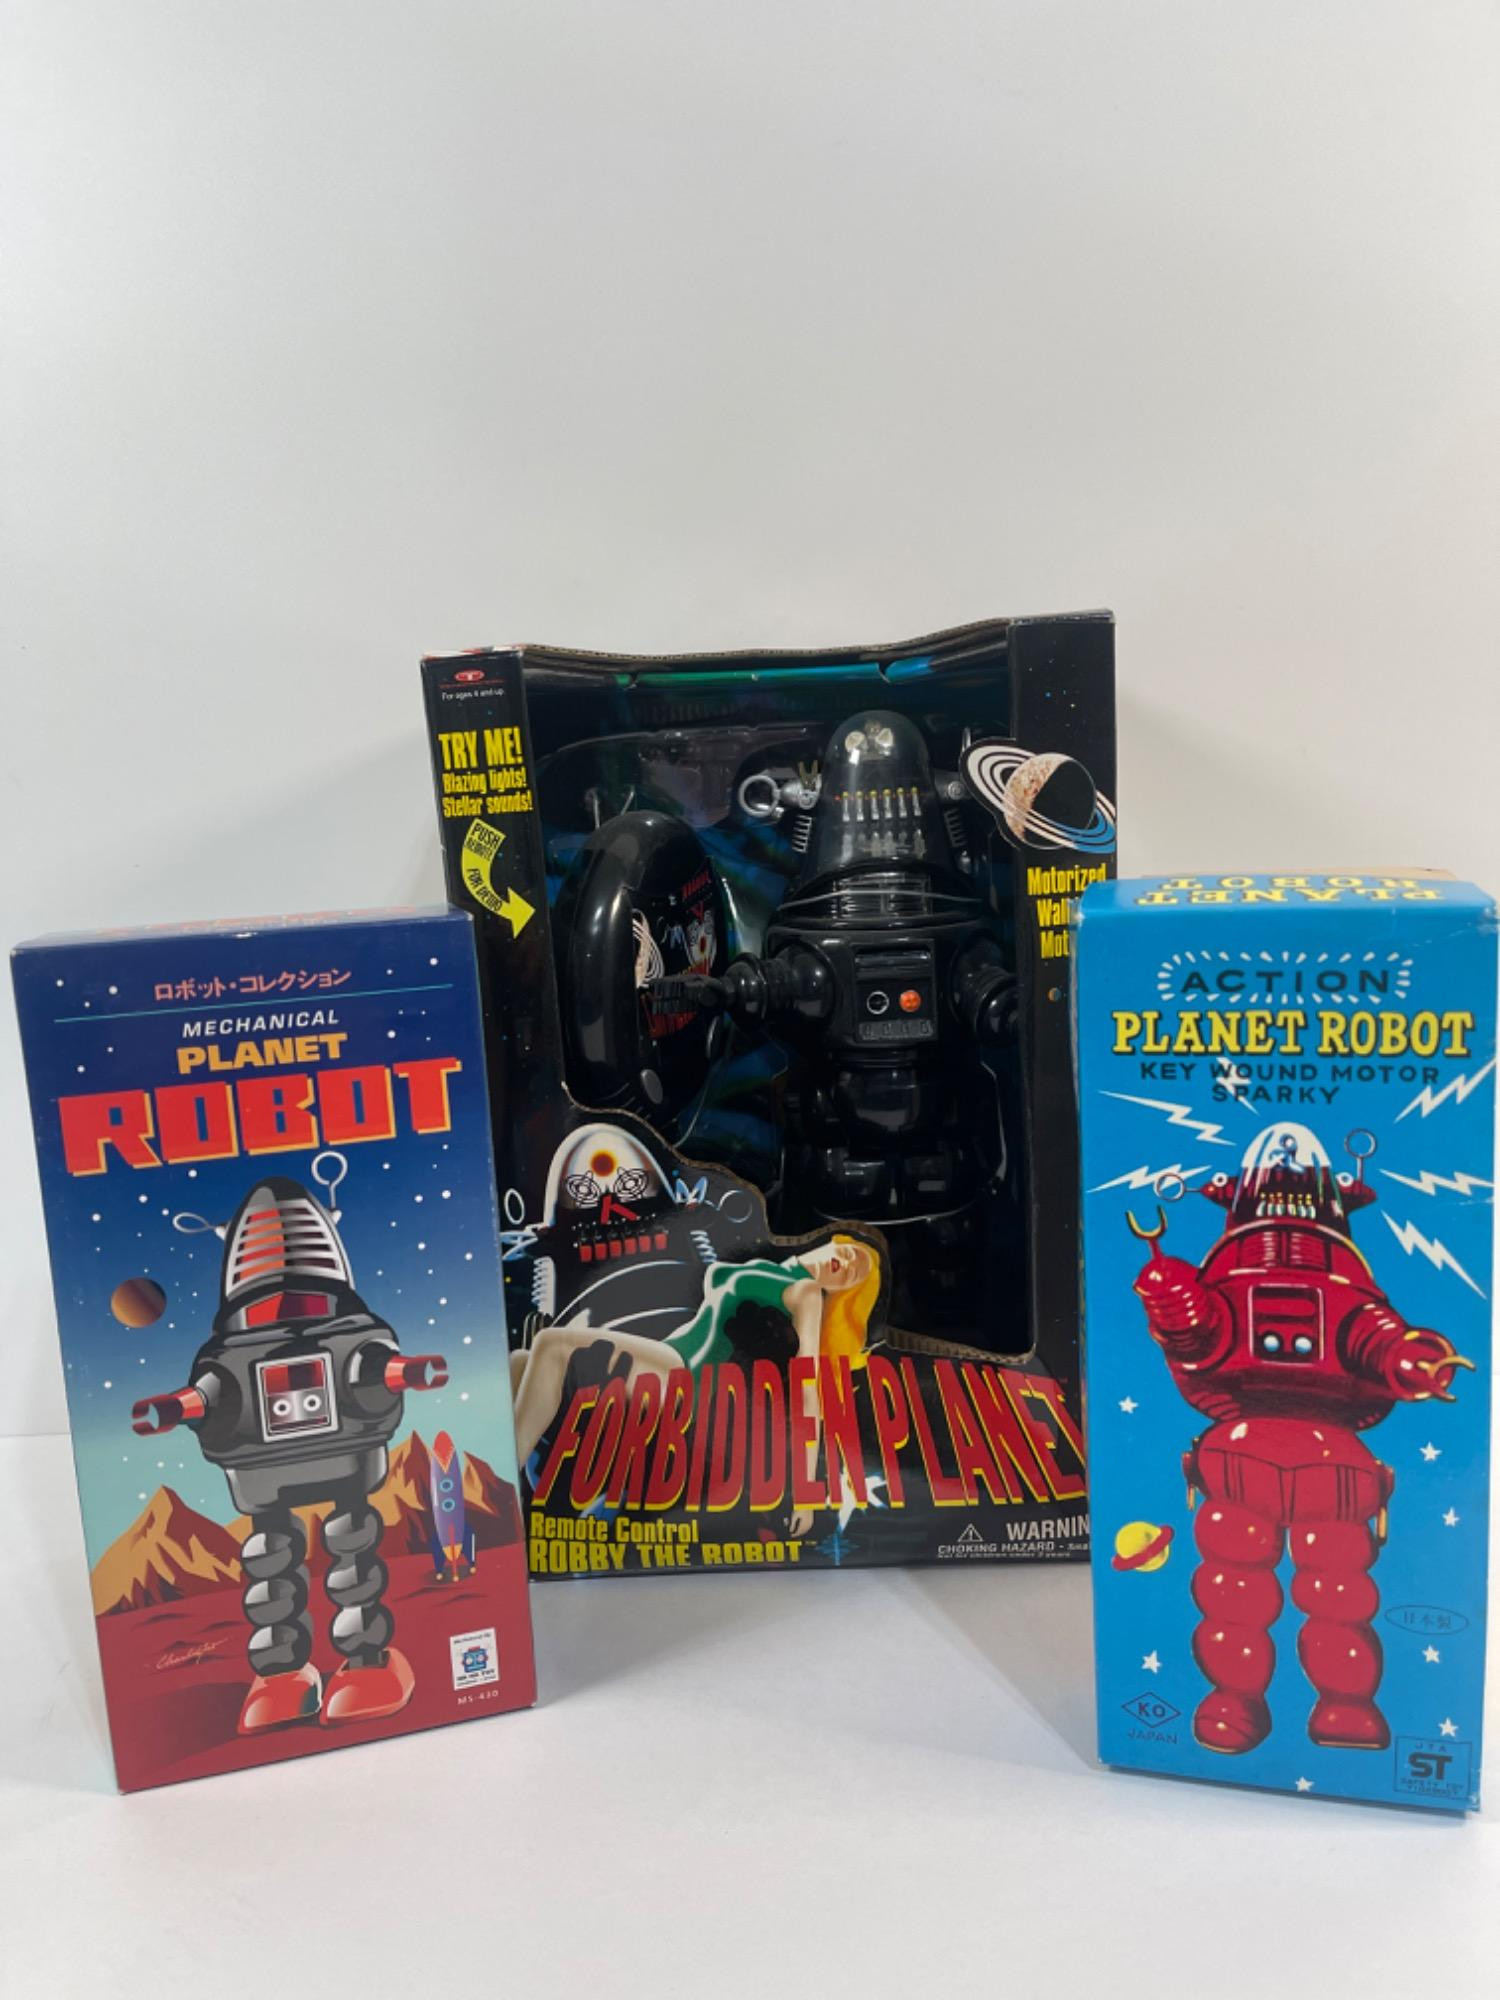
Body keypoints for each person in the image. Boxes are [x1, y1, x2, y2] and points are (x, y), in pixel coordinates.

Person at [510, 1236, 880, 1535]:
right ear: (833, 1243)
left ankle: (500, 1495)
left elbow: (808, 1389)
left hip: (686, 1379)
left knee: (552, 1345)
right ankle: (511, 1497)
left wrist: (806, 1494)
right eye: (850, 1256)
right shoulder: (772, 1269)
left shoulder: (807, 1292)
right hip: (669, 1357)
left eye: (852, 1276)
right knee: (521, 1362)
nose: (847, 1266)